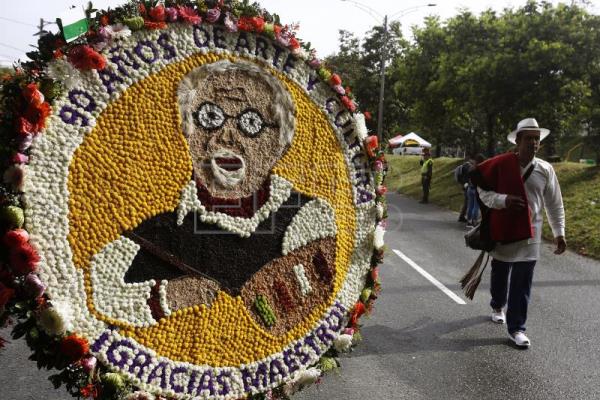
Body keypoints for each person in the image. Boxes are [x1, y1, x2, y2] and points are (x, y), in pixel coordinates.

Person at [89, 60, 338, 333]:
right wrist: (168, 297)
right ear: (187, 130)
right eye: (210, 117)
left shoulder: (304, 219)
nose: (227, 136)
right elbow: (97, 295)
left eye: (251, 123)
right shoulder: (149, 235)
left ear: (279, 142)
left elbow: (310, 308)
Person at [471, 117, 566, 348]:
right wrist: (503, 200)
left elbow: (554, 203)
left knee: (522, 282)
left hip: (531, 234)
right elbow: (483, 191)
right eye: (529, 139)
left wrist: (559, 232)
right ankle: (497, 304)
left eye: (537, 139)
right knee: (501, 272)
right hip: (504, 230)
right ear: (518, 142)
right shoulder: (501, 165)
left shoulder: (545, 169)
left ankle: (516, 328)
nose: (533, 143)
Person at [465, 154, 486, 227]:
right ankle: (474, 221)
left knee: (470, 205)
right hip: (476, 189)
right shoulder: (480, 168)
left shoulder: (471, 168)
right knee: (476, 206)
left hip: (469, 188)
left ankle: (468, 220)